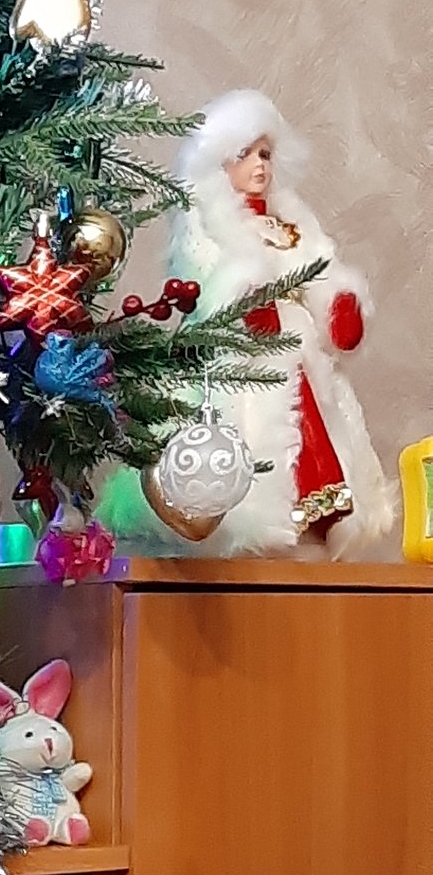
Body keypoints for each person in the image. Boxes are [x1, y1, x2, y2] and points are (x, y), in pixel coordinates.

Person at [162, 91, 395, 556]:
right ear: (220, 162)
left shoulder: (292, 224)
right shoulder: (207, 223)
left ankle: (317, 528)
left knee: (321, 425)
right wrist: (241, 295)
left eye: (265, 154)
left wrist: (337, 302)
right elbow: (199, 279)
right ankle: (259, 529)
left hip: (301, 348)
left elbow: (319, 270)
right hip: (243, 361)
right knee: (260, 436)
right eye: (245, 154)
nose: (259, 166)